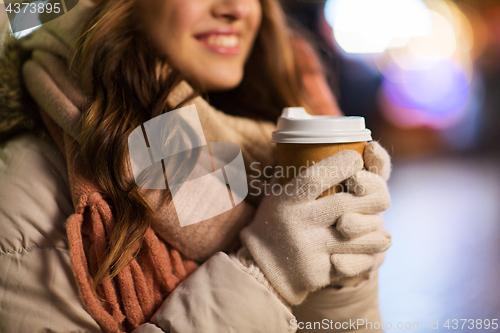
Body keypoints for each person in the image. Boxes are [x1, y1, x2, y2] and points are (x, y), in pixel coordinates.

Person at [0, 0, 393, 331]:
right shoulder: (26, 193)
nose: (236, 8)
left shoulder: (273, 129)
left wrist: (340, 268)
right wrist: (265, 275)